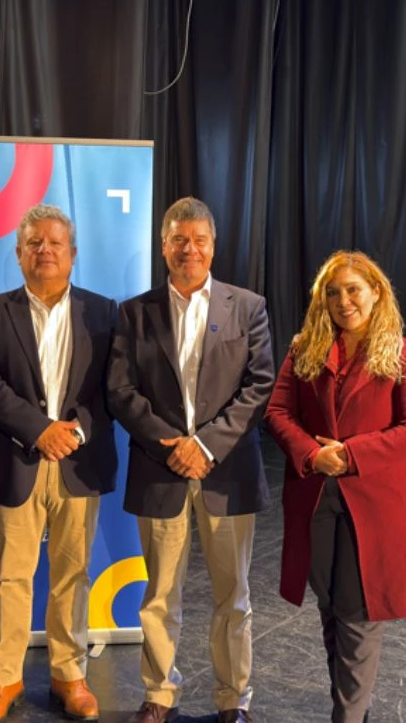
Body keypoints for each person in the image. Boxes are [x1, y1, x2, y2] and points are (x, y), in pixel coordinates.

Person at [107, 197, 274, 723]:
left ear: (213, 246)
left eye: (200, 239)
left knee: (235, 597)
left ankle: (233, 700)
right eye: (179, 240)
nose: (190, 249)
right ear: (163, 247)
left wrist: (205, 445)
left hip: (228, 473)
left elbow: (259, 385)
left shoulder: (248, 306)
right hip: (161, 469)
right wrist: (172, 444)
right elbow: (120, 390)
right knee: (159, 596)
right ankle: (159, 692)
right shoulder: (135, 312)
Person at [0, 205, 119, 723]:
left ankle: (68, 675)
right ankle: (4, 680)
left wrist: (71, 432)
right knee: (12, 576)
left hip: (79, 459)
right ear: (19, 253)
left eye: (55, 243)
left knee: (72, 574)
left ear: (73, 254)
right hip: (18, 458)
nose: (44, 251)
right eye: (34, 243)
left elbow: (112, 388)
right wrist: (39, 430)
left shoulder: (103, 312)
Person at [264, 250, 406, 723]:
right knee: (332, 607)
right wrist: (315, 454)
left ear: (376, 292)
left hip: (376, 504)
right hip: (316, 496)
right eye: (332, 293)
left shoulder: (404, 352)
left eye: (353, 289)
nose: (344, 301)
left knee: (359, 614)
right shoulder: (304, 348)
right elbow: (278, 413)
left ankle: (349, 715)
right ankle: (347, 704)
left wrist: (350, 454)